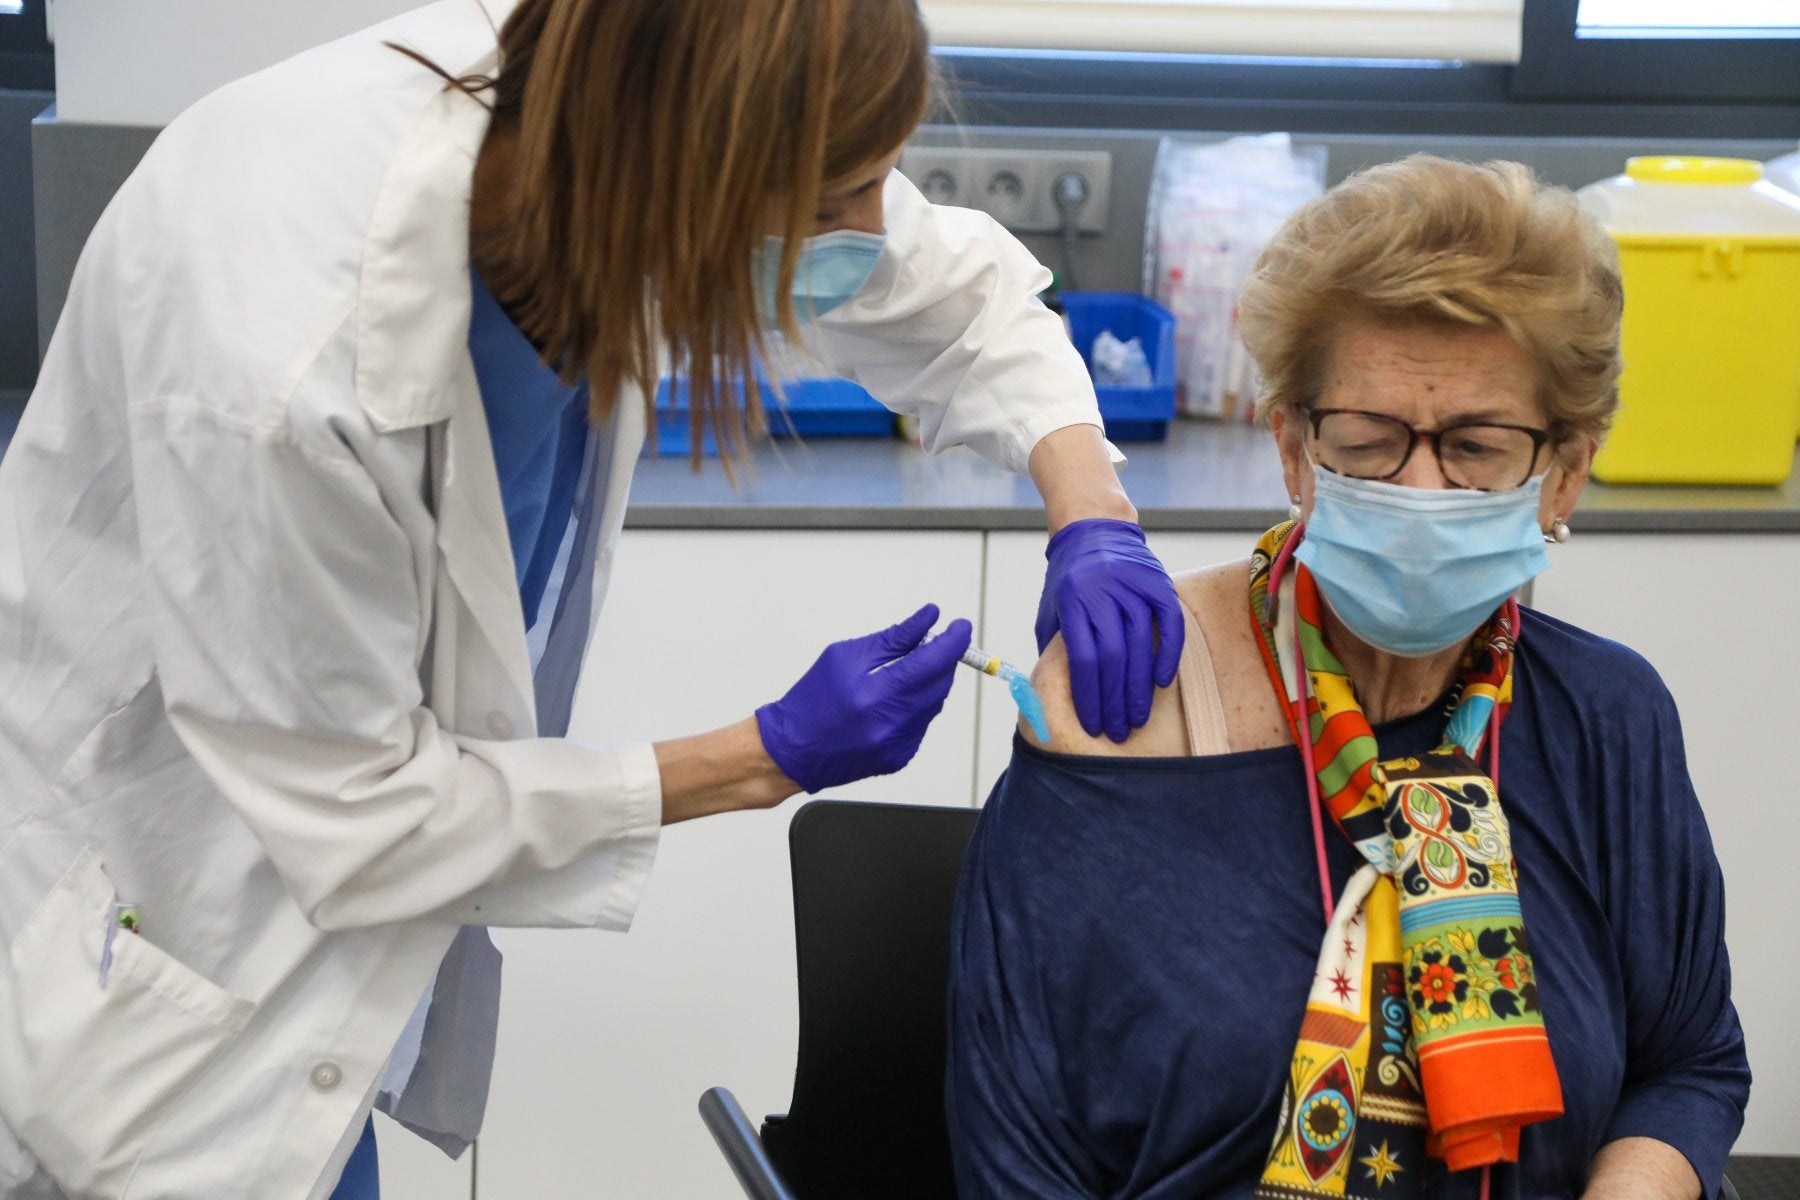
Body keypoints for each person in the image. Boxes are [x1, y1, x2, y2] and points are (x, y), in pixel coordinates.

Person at [0, 1, 1185, 1196]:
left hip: (314, 931)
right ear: (675, 169)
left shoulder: (607, 132)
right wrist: (760, 755)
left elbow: (953, 295)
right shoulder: (285, 354)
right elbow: (362, 812)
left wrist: (1093, 514)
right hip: (154, 962)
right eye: (834, 205)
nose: (870, 233)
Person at [948, 156, 1750, 1200]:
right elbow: (1022, 1164)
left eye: (1477, 445)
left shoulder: (1607, 719)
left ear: (1564, 474)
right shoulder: (1128, 716)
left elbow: (1686, 1066)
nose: (1421, 487)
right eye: (1368, 442)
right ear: (1292, 450)